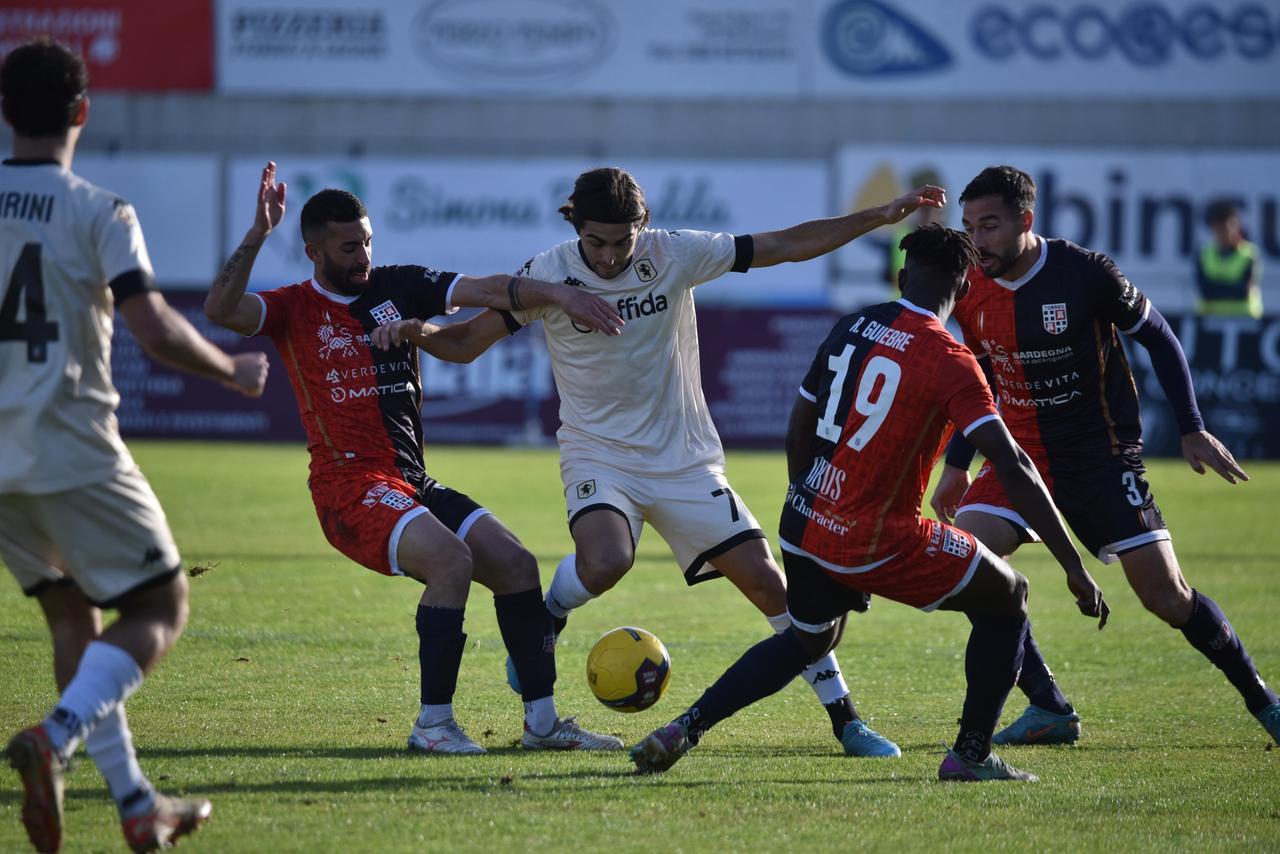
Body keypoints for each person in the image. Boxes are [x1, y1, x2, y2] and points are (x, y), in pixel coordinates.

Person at [379, 167, 950, 758]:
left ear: (642, 226)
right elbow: (466, 344)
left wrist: (877, 217)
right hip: (598, 451)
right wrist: (417, 331)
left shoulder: (675, 255)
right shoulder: (547, 274)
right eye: (595, 242)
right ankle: (548, 617)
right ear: (575, 226)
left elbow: (781, 245)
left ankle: (847, 721)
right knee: (605, 561)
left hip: (684, 460)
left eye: (620, 242)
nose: (606, 257)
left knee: (772, 588)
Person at [627, 224, 1109, 780]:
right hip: (877, 535)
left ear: (902, 277)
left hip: (804, 518)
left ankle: (681, 729)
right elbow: (1015, 465)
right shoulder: (952, 358)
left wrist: (810, 499)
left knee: (805, 639)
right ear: (968, 287)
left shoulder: (856, 323)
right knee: (1009, 594)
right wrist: (1074, 565)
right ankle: (971, 755)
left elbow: (800, 424)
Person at [204, 163, 627, 756]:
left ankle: (542, 723)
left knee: (515, 564)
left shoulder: (396, 286)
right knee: (451, 561)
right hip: (348, 485)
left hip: (410, 480)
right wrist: (255, 234)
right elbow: (221, 310)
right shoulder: (293, 309)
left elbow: (484, 289)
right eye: (350, 247)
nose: (364, 256)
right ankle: (433, 725)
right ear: (314, 251)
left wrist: (558, 293)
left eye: (369, 241)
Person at [0, 38, 267, 852]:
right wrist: (231, 371)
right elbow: (151, 327)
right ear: (83, 112)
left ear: (7, 115)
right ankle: (56, 735)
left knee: (72, 618)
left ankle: (136, 803)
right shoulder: (101, 210)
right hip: (71, 443)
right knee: (159, 604)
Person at [929, 165, 1280, 746]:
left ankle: (1264, 701)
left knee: (1166, 597)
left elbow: (1160, 336)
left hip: (1100, 454)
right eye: (969, 227)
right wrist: (958, 462)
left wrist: (1191, 428)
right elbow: (982, 374)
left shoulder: (1084, 273)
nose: (978, 241)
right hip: (1019, 456)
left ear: (1026, 221)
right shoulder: (971, 286)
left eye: (989, 226)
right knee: (969, 565)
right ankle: (1049, 706)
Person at [1195, 200, 1262, 318]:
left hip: (1245, 322)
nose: (1223, 233)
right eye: (1218, 228)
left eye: (1226, 227)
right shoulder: (1204, 254)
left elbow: (1243, 291)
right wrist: (1231, 286)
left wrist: (1215, 286)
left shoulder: (1249, 254)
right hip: (1209, 321)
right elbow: (1205, 291)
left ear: (1236, 225)